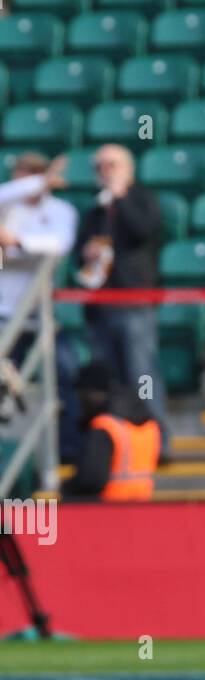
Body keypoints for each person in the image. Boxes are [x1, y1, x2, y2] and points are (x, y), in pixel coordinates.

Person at [74, 144, 169, 456]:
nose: (106, 172)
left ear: (128, 169)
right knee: (109, 378)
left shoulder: (141, 199)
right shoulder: (94, 211)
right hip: (101, 306)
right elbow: (79, 259)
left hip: (134, 302)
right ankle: (116, 448)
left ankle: (157, 444)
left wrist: (121, 197)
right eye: (100, 166)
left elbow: (144, 231)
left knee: (142, 374)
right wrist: (87, 254)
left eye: (113, 165)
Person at [0, 153, 81, 460]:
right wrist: (39, 180)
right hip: (3, 315)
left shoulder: (62, 210)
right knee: (7, 396)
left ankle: (69, 451)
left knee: (63, 376)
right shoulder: (8, 207)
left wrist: (15, 243)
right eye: (23, 173)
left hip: (39, 317)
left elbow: (57, 244)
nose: (28, 180)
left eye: (35, 173)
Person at [62, 360, 160, 500]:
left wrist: (66, 488)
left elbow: (91, 480)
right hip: (140, 507)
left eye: (82, 394)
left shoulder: (104, 427)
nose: (80, 401)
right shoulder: (148, 423)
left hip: (106, 510)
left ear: (93, 392)